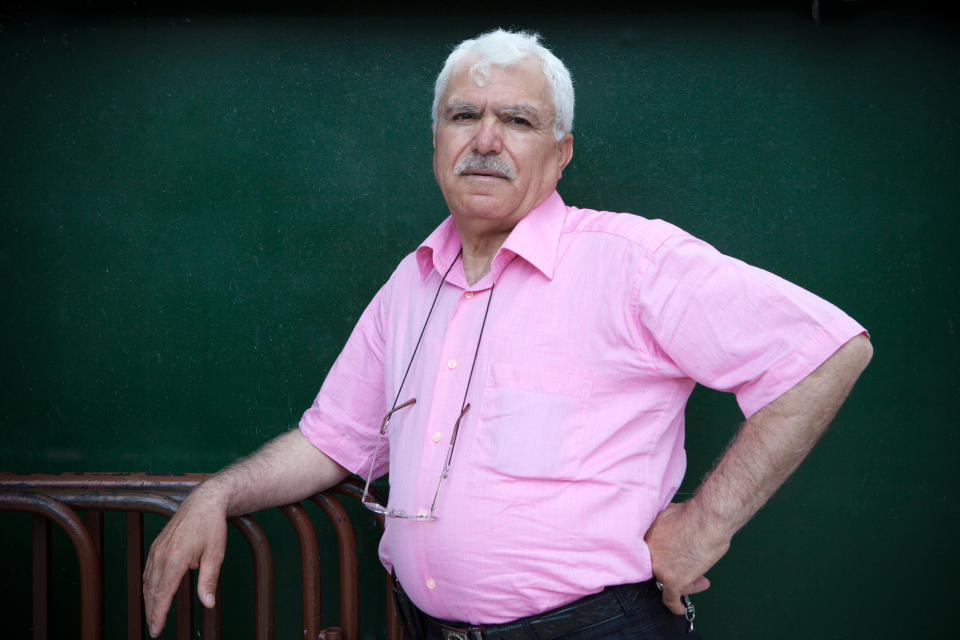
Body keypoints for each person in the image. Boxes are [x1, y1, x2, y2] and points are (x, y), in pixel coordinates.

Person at [143, 29, 872, 639]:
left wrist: (704, 528)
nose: (486, 139)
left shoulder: (632, 262)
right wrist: (218, 495)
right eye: (464, 116)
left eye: (518, 122)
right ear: (436, 141)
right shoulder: (412, 282)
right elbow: (332, 440)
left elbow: (825, 352)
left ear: (560, 154)